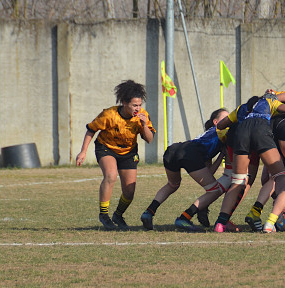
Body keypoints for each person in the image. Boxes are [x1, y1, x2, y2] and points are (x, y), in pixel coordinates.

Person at [212, 93, 285, 233]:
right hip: (260, 130)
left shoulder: (241, 108)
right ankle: (282, 215)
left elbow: (220, 124)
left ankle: (220, 223)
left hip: (241, 132)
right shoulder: (270, 101)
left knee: (238, 181)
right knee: (280, 175)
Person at [76, 80, 155, 230]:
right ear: (124, 102)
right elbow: (91, 130)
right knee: (111, 176)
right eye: (134, 105)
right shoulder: (109, 114)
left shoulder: (142, 116)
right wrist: (83, 151)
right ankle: (104, 215)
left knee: (129, 191)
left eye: (139, 105)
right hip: (106, 148)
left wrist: (144, 125)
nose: (138, 108)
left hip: (129, 152)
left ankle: (118, 215)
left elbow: (149, 139)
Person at [139, 108, 230, 232]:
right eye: (225, 118)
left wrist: (221, 155)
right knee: (214, 191)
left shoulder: (209, 136)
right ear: (215, 122)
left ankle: (148, 212)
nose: (229, 120)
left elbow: (208, 172)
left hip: (174, 150)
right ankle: (185, 218)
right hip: (190, 153)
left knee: (172, 184)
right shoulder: (222, 130)